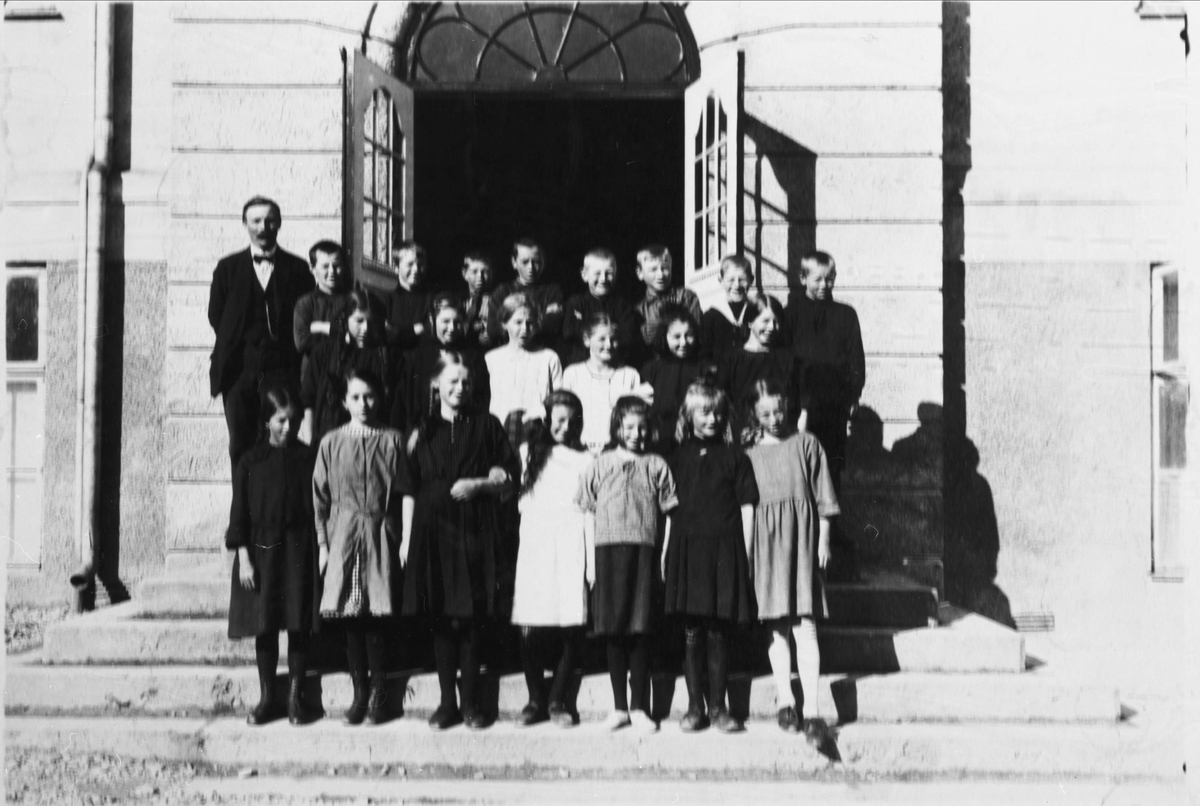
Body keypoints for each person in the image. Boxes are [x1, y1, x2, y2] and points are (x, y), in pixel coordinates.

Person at [400, 352, 520, 731]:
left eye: (466, 382)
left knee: (469, 618)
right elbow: (407, 487)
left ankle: (471, 703)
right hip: (431, 530)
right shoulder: (422, 428)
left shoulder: (487, 425)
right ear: (436, 385)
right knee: (441, 618)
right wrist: (406, 539)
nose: (460, 388)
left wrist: (480, 484)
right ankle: (446, 702)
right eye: (452, 381)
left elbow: (508, 478)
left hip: (473, 529)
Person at [312, 367, 411, 726]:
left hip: (381, 534)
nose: (363, 404)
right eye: (355, 397)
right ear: (344, 401)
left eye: (369, 396)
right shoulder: (331, 442)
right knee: (352, 617)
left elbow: (404, 493)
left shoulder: (392, 439)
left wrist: (402, 539)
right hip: (344, 536)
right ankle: (359, 692)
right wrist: (324, 544)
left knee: (378, 618)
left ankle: (380, 695)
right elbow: (319, 499)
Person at [742, 380, 838, 742]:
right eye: (765, 413)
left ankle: (812, 709)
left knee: (805, 623)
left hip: (802, 541)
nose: (773, 418)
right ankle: (786, 700)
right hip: (766, 544)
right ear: (754, 414)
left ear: (789, 408)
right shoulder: (749, 452)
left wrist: (823, 540)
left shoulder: (806, 444)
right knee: (776, 625)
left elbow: (824, 496)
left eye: (779, 410)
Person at [576, 396, 678, 734]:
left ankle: (639, 707)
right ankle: (619, 707)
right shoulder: (600, 464)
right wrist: (590, 563)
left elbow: (669, 516)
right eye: (629, 427)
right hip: (606, 554)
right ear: (617, 427)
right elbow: (587, 513)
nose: (636, 434)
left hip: (643, 553)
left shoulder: (657, 465)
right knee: (614, 631)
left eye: (642, 427)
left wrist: (663, 556)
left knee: (641, 629)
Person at [662, 382, 758, 734]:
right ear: (688, 416)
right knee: (691, 631)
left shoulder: (736, 458)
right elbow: (670, 511)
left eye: (718, 412)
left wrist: (745, 553)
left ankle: (719, 708)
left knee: (718, 630)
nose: (713, 418)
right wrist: (665, 552)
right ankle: (693, 708)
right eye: (704, 412)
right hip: (687, 550)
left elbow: (747, 507)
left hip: (724, 550)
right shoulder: (677, 457)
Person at [226, 383, 319, 727]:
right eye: (280, 420)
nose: (287, 427)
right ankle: (268, 698)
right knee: (264, 627)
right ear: (266, 421)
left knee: (297, 625)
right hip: (261, 552)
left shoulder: (308, 456)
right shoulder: (250, 461)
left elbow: (317, 508)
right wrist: (244, 560)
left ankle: (295, 699)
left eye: (293, 420)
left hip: (297, 548)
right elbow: (238, 515)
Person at [208, 196, 314, 474]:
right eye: (255, 220)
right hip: (239, 372)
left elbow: (305, 316)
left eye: (269, 220)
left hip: (281, 370)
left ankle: (273, 513)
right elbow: (216, 316)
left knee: (280, 439)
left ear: (279, 224)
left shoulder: (298, 268)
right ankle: (242, 515)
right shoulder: (227, 268)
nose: (263, 227)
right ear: (245, 224)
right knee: (240, 445)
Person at [511, 390, 593, 728]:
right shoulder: (528, 453)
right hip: (535, 543)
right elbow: (520, 501)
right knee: (530, 625)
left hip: (572, 540)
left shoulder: (587, 459)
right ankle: (535, 698)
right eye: (558, 419)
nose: (566, 426)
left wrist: (590, 562)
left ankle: (558, 699)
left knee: (568, 625)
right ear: (546, 420)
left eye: (573, 420)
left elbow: (589, 511)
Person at [784, 250, 865, 493]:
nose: (824, 285)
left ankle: (830, 530)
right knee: (801, 465)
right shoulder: (791, 314)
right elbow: (784, 360)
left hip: (834, 403)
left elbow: (855, 359)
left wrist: (853, 396)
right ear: (802, 278)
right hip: (800, 404)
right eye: (817, 279)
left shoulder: (846, 314)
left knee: (831, 467)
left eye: (829, 279)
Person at [300, 289, 404, 447]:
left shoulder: (389, 356)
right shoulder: (324, 351)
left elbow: (397, 405)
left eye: (372, 322)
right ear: (345, 318)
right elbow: (308, 397)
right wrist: (309, 435)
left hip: (375, 440)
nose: (366, 328)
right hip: (330, 438)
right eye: (359, 320)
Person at [399, 292, 491, 433]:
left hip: (463, 432)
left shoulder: (474, 357)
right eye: (446, 321)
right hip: (423, 432)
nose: (452, 328)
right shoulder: (418, 356)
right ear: (433, 320)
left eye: (457, 322)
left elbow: (481, 398)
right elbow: (404, 400)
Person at [719, 292, 805, 438]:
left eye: (776, 322)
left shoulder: (787, 359)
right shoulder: (732, 359)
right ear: (751, 322)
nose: (771, 327)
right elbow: (724, 402)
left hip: (781, 436)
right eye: (765, 321)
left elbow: (800, 403)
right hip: (743, 436)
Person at [485, 293, 563, 451]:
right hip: (500, 433)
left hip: (538, 432)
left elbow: (558, 398)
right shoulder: (492, 358)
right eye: (518, 322)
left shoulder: (549, 357)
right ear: (504, 324)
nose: (525, 329)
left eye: (530, 323)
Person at [561, 313, 647, 455]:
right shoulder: (573, 373)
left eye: (613, 339)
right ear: (587, 340)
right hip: (580, 449)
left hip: (617, 451)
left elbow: (634, 417)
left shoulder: (629, 375)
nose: (608, 345)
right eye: (602, 339)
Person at [639, 305, 715, 453]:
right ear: (664, 337)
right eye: (676, 337)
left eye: (689, 335)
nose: (683, 342)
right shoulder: (651, 369)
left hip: (695, 438)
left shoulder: (704, 368)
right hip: (660, 439)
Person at [561, 248, 639, 366]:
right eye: (597, 273)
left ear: (616, 274)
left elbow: (627, 336)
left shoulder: (623, 305)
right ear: (585, 275)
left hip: (614, 364)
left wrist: (586, 327)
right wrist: (612, 328)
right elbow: (569, 332)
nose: (603, 279)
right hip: (582, 363)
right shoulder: (576, 302)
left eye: (609, 273)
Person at [486, 237, 564, 350]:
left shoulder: (552, 291)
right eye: (525, 262)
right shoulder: (502, 291)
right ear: (514, 262)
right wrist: (541, 318)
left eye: (536, 261)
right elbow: (493, 329)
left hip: (542, 352)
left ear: (543, 262)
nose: (531, 267)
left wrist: (512, 323)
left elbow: (553, 325)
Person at [633, 245, 703, 366]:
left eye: (665, 268)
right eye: (653, 269)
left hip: (688, 362)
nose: (660, 274)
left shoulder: (686, 297)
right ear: (640, 273)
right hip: (659, 366)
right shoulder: (639, 310)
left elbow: (696, 330)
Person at [293, 240, 349, 358]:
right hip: (315, 369)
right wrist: (339, 332)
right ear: (313, 269)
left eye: (336, 265)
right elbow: (301, 342)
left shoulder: (352, 299)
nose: (332, 272)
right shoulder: (306, 303)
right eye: (325, 266)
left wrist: (321, 327)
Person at [699, 255, 753, 363]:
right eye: (731, 280)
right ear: (721, 280)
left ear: (751, 280)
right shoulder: (711, 317)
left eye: (742, 280)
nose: (737, 285)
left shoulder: (756, 312)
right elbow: (703, 354)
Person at [384, 241, 432, 350]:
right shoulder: (386, 300)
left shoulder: (431, 299)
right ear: (396, 267)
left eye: (420, 264)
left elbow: (431, 333)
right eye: (409, 264)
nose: (416, 269)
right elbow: (387, 336)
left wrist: (398, 332)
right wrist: (417, 329)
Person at [460, 250, 496, 349]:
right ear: (464, 274)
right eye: (474, 272)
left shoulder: (497, 299)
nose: (480, 276)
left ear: (491, 273)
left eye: (485, 272)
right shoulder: (458, 300)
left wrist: (492, 334)